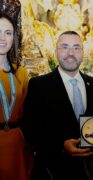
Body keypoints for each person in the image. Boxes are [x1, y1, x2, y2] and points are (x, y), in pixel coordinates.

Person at [22, 30, 93, 180]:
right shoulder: (39, 85)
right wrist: (61, 145)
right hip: (52, 170)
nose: (70, 53)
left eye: (76, 48)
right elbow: (30, 129)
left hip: (89, 171)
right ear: (56, 51)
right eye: (64, 47)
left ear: (82, 52)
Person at [0, 13, 29, 180]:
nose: (2, 38)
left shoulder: (21, 73)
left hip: (17, 145)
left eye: (8, 32)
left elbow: (29, 114)